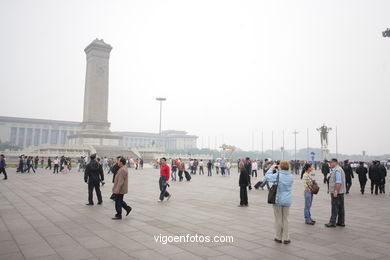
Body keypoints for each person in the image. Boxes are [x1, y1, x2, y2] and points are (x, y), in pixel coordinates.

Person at [265, 160, 294, 244]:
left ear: (280, 166)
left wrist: (271, 168)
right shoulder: (291, 176)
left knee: (278, 219)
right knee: (286, 219)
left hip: (278, 199)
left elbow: (267, 176)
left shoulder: (277, 175)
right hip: (287, 199)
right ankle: (286, 238)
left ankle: (278, 237)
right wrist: (279, 170)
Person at [325, 159, 346, 228]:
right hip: (340, 192)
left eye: (331, 162)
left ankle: (332, 222)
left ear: (335, 163)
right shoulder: (337, 169)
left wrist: (336, 191)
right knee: (340, 207)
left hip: (337, 192)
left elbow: (338, 182)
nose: (330, 164)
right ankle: (341, 222)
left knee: (335, 207)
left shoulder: (337, 170)